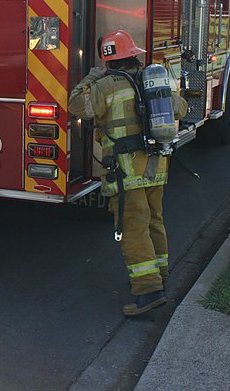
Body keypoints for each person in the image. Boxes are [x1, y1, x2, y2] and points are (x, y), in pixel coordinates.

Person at [68, 30, 187, 316]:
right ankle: (160, 277)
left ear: (109, 61)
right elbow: (181, 108)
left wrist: (92, 77)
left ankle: (148, 291)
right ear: (133, 55)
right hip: (157, 165)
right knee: (154, 221)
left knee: (133, 227)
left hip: (126, 171)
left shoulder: (105, 85)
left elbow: (75, 105)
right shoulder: (152, 80)